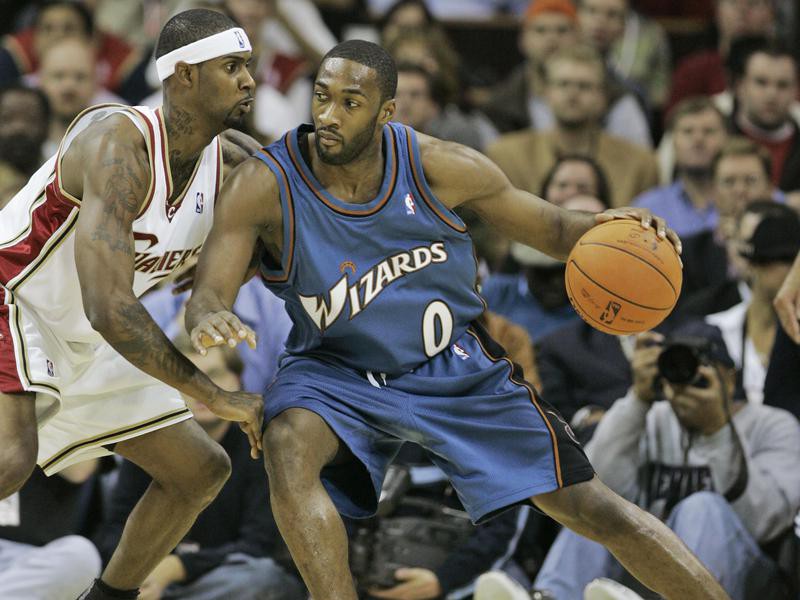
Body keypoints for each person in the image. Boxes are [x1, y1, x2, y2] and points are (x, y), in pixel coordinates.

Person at [186, 39, 728, 600]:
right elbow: (208, 293)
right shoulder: (265, 183)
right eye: (322, 97)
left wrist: (612, 227)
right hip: (336, 369)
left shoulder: (439, 165)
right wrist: (210, 317)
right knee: (287, 444)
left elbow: (555, 231)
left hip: (451, 365)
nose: (328, 115)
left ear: (386, 112)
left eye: (350, 103)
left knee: (593, 507)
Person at [0, 9, 264, 600]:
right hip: (13, 299)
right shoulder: (119, 145)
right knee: (10, 458)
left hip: (86, 338)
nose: (249, 79)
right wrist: (215, 394)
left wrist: (212, 290)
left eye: (248, 65)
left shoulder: (238, 164)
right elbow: (109, 307)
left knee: (199, 471)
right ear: (185, 77)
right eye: (232, 66)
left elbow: (282, 239)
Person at [97, 344, 304, 600]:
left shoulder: (261, 448)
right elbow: (113, 531)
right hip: (151, 581)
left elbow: (258, 547)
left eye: (214, 375)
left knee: (260, 578)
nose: (202, 391)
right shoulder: (148, 441)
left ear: (237, 381)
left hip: (222, 579)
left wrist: (179, 567)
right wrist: (149, 572)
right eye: (188, 377)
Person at [487, 45, 658, 208]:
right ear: (545, 92)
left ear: (602, 96)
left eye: (584, 86)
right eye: (563, 84)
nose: (573, 93)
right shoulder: (506, 156)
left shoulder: (640, 165)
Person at [633, 97, 728, 237]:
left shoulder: (749, 199)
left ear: (726, 140)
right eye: (688, 131)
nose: (698, 139)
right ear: (672, 143)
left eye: (708, 131)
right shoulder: (647, 208)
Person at [0, 84, 49, 207]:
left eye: (30, 118)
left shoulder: (57, 178)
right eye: (7, 118)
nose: (19, 128)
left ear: (46, 126)